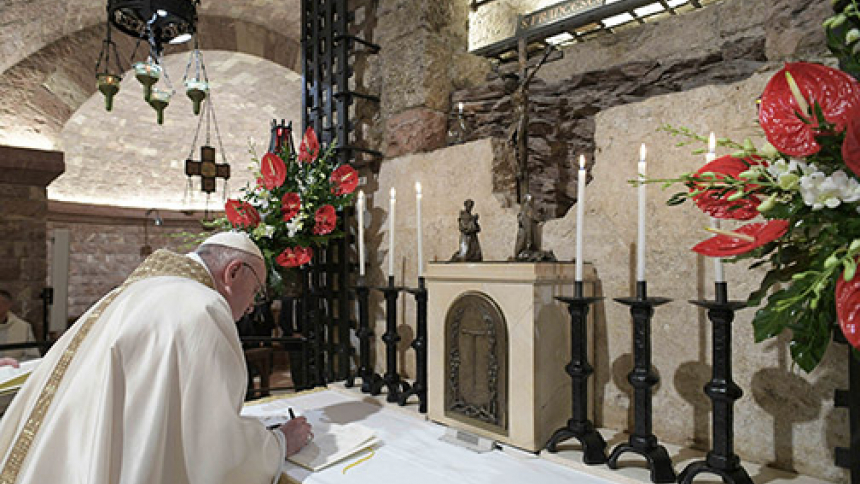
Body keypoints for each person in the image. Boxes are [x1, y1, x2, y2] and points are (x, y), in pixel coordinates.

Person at [0, 232, 312, 484]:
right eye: (255, 291)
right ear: (232, 272)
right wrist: (280, 443)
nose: (251, 307)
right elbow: (216, 451)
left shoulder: (135, 292)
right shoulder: (202, 306)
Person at [0, 290, 40, 367]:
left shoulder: (24, 327)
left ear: (8, 305)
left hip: (14, 372)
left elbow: (32, 357)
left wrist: (11, 366)